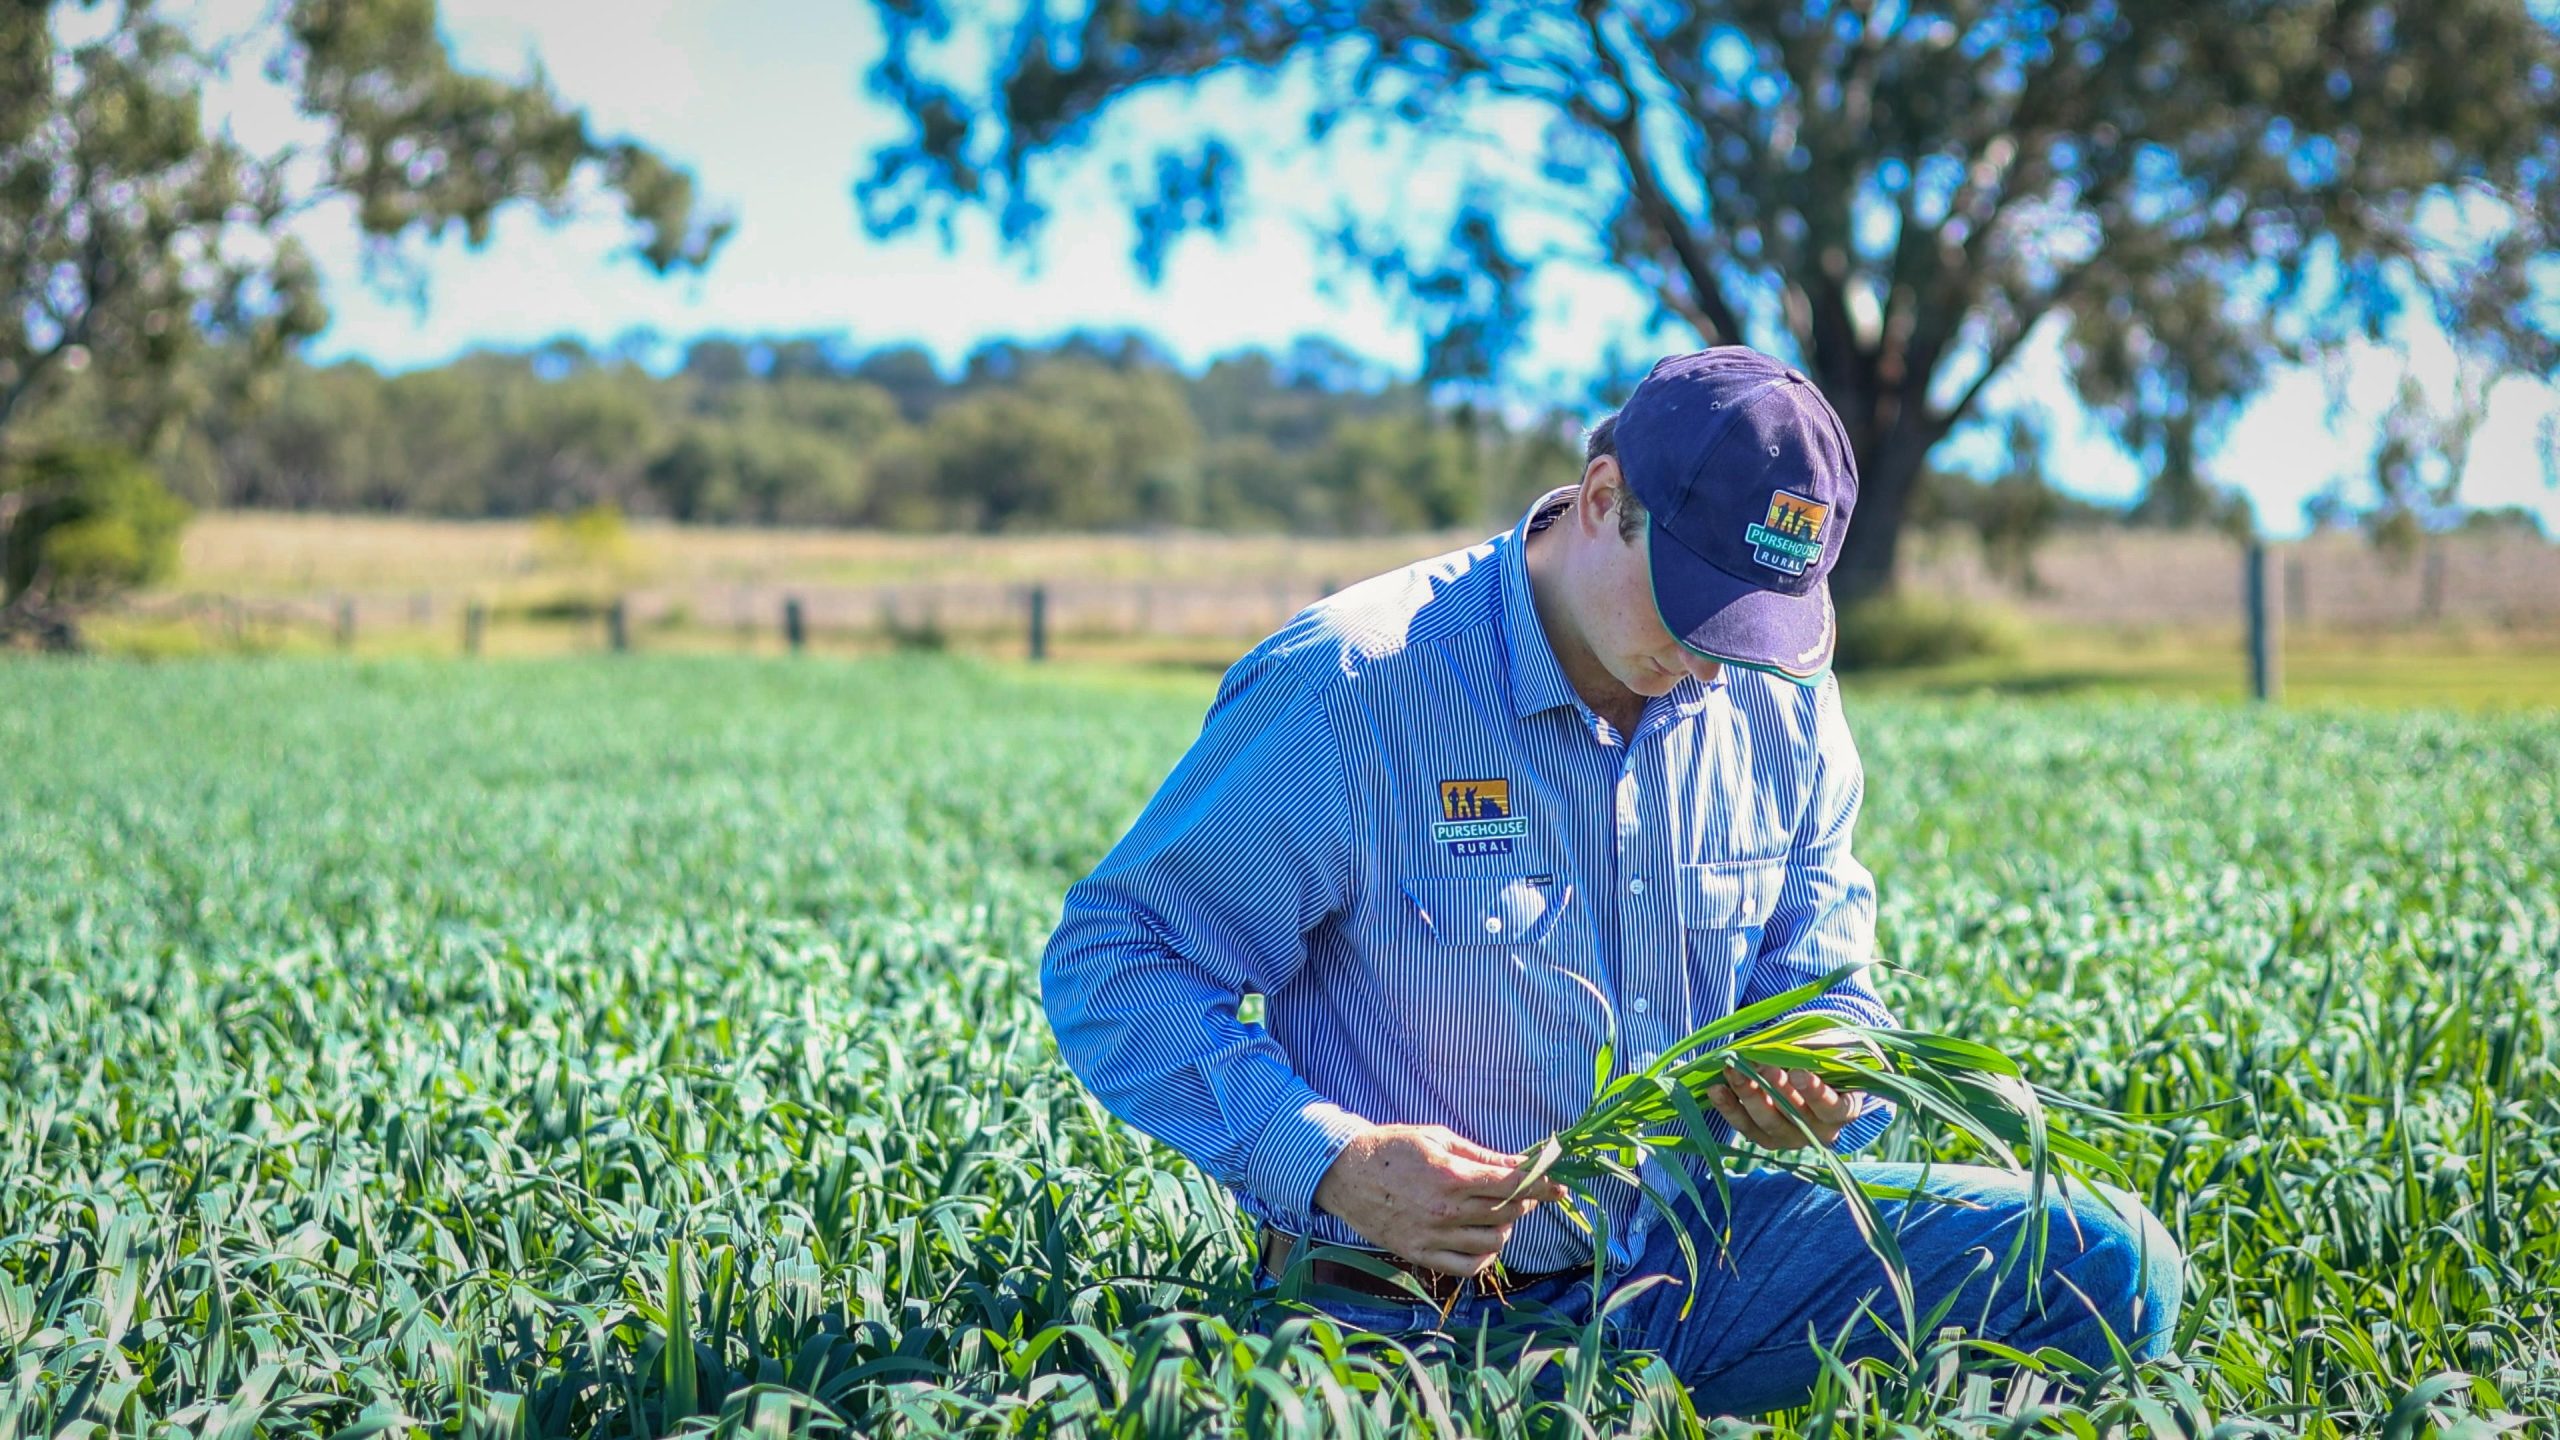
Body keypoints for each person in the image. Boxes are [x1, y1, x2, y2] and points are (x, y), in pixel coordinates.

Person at [1039, 348, 2181, 1414]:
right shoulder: (1356, 685)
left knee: (2110, 1267)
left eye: (1753, 625)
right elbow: (1119, 959)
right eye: (1689, 606)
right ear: (1599, 501)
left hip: (1696, 1257)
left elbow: (1830, 985)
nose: (1707, 659)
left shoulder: (1777, 692)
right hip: (1405, 1297)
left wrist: (1832, 1074)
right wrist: (1333, 1161)